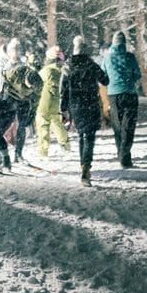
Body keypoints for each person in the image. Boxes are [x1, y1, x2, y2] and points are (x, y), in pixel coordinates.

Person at [59, 35, 109, 185]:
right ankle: (86, 166)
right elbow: (105, 80)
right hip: (91, 103)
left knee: (81, 135)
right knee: (90, 136)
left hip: (76, 105)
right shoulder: (91, 64)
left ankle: (83, 165)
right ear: (85, 50)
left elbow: (64, 89)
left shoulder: (67, 66)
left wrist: (63, 109)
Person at [105, 31, 142, 169]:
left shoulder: (107, 58)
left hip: (113, 95)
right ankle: (125, 157)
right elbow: (137, 74)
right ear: (124, 43)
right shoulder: (130, 57)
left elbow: (103, 75)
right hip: (129, 93)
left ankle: (120, 153)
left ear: (114, 43)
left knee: (117, 125)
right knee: (129, 125)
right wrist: (129, 80)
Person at [0, 49, 41, 165]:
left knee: (21, 127)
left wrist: (31, 115)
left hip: (24, 102)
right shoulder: (10, 73)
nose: (29, 87)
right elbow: (2, 88)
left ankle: (18, 154)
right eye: (28, 85)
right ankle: (1, 156)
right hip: (10, 97)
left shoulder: (37, 81)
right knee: (4, 127)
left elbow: (36, 100)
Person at [34, 44, 69, 159]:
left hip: (44, 102)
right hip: (56, 102)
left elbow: (36, 84)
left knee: (43, 126)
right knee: (57, 124)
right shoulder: (62, 71)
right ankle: (65, 145)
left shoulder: (45, 71)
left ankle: (43, 151)